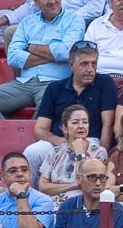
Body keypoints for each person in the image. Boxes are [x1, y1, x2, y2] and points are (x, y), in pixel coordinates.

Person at [0, 0, 86, 133]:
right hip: (24, 83)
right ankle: (10, 137)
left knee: (47, 109)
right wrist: (51, 54)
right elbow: (13, 57)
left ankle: (26, 146)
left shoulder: (75, 21)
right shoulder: (27, 22)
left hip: (54, 84)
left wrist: (29, 47)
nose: (52, 1)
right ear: (35, 1)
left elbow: (65, 53)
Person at [22, 41, 116, 180]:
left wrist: (103, 151)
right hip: (58, 140)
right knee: (32, 152)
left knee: (87, 160)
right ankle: (35, 195)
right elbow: (40, 129)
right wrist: (62, 142)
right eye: (84, 64)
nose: (90, 69)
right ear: (71, 65)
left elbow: (107, 125)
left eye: (94, 64)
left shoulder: (105, 83)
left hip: (90, 141)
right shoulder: (55, 88)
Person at [30, 104, 109, 203]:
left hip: (80, 203)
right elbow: (43, 186)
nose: (81, 126)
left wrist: (80, 153)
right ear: (65, 129)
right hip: (52, 203)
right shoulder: (55, 152)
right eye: (75, 122)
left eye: (85, 122)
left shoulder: (98, 152)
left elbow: (88, 183)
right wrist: (73, 185)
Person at [0, 152, 56, 228]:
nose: (20, 174)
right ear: (2, 176)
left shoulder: (43, 200)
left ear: (30, 173)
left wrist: (21, 194)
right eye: (13, 171)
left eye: (24, 170)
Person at [54, 157, 123, 228]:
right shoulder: (67, 206)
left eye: (102, 177)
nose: (98, 183)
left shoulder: (118, 212)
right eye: (92, 177)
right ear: (79, 179)